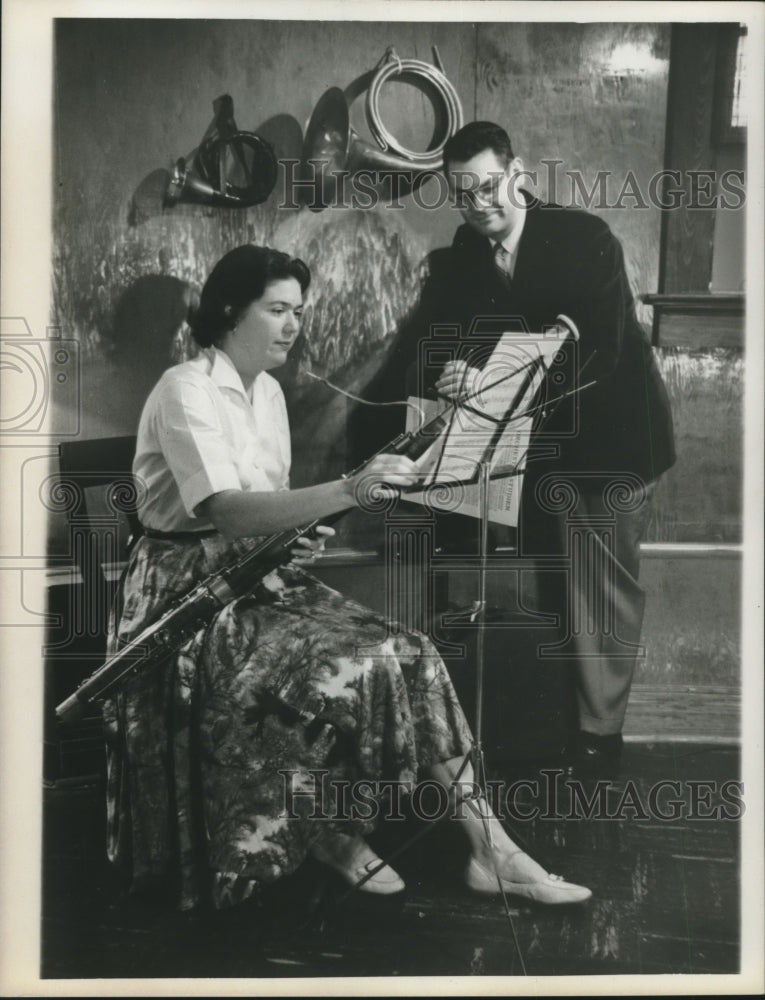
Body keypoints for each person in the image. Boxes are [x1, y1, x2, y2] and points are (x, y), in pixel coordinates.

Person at [103, 243, 592, 914]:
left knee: (409, 652)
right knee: (327, 665)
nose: (291, 326)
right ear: (226, 311)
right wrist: (346, 491)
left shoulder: (267, 391)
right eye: (275, 310)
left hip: (255, 576)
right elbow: (223, 511)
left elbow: (262, 513)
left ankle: (490, 850)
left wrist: (296, 538)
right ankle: (327, 833)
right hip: (182, 595)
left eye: (297, 312)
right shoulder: (184, 387)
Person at [382, 122, 675, 772]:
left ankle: (599, 741)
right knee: (552, 590)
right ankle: (549, 731)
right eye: (464, 194)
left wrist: (502, 376)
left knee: (598, 593)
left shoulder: (581, 237)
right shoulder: (466, 248)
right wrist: (454, 370)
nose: (479, 204)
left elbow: (600, 349)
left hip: (609, 446)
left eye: (489, 187)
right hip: (532, 452)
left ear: (516, 174)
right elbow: (449, 334)